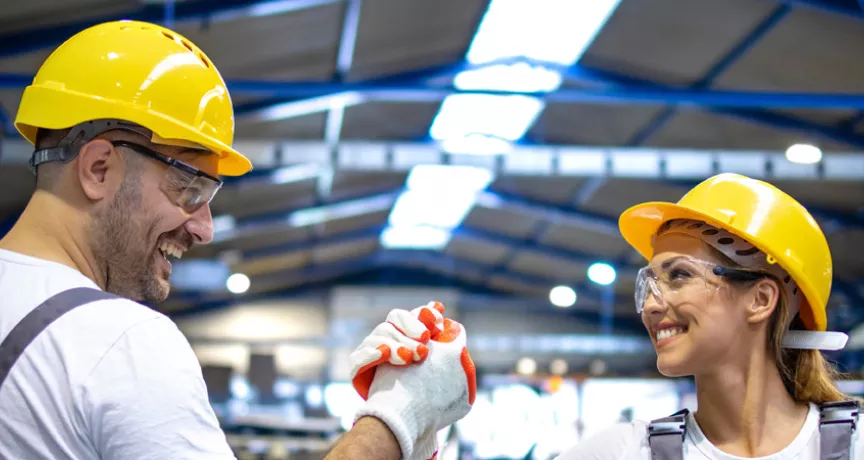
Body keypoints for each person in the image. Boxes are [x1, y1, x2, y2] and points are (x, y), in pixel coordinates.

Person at [0, 20, 476, 460]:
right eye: (189, 189)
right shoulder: (118, 341)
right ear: (99, 168)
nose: (204, 228)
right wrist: (398, 417)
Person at [366, 173, 863, 459]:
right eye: (648, 281)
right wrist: (404, 427)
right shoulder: (621, 453)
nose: (649, 304)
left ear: (761, 299)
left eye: (679, 276)